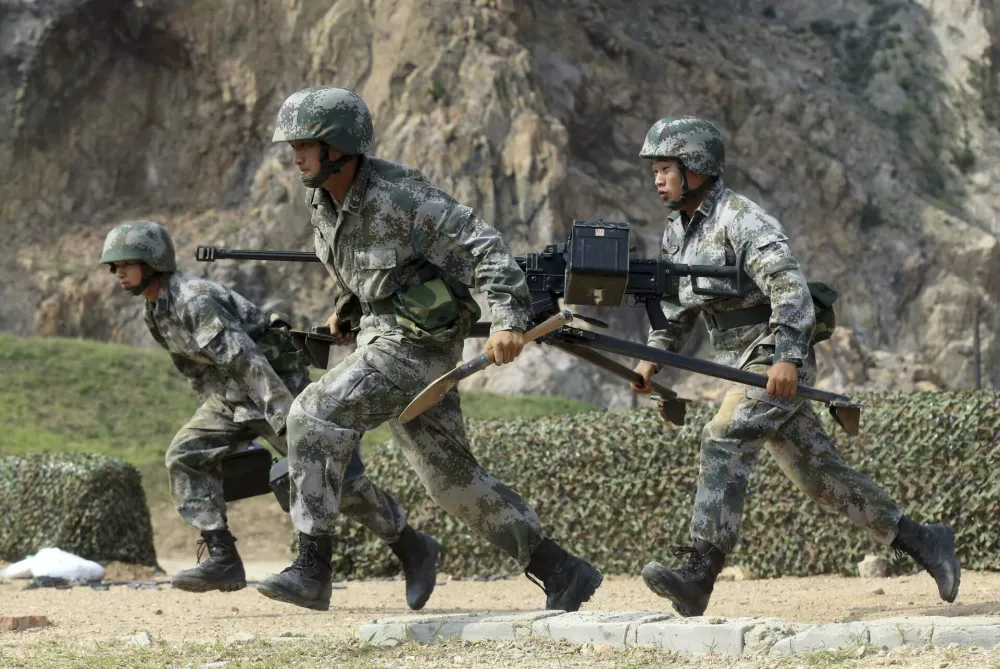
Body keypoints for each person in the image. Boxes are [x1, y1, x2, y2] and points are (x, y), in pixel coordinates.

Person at [255, 85, 603, 613]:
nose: (294, 155)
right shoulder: (322, 197)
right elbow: (364, 269)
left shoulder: (402, 196)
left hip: (416, 346)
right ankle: (562, 570)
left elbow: (483, 245)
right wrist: (345, 310)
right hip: (385, 339)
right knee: (452, 483)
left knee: (312, 416)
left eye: (304, 144)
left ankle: (312, 569)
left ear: (337, 145)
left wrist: (509, 319)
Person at [629, 116, 961, 617]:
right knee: (818, 476)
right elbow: (680, 306)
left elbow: (790, 291)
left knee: (724, 435)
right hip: (741, 363)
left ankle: (700, 571)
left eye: (665, 168)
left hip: (775, 355)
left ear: (695, 167)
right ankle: (924, 540)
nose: (657, 179)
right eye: (655, 170)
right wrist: (652, 357)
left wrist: (786, 357)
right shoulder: (677, 230)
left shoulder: (744, 219)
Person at [99, 220, 441, 610]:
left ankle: (414, 547)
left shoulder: (193, 300)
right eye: (113, 267)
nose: (118, 272)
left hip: (276, 389)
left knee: (339, 484)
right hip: (232, 398)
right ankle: (223, 558)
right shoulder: (155, 312)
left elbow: (248, 362)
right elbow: (198, 370)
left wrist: (286, 420)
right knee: (186, 454)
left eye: (126, 263)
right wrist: (217, 422)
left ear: (152, 261)